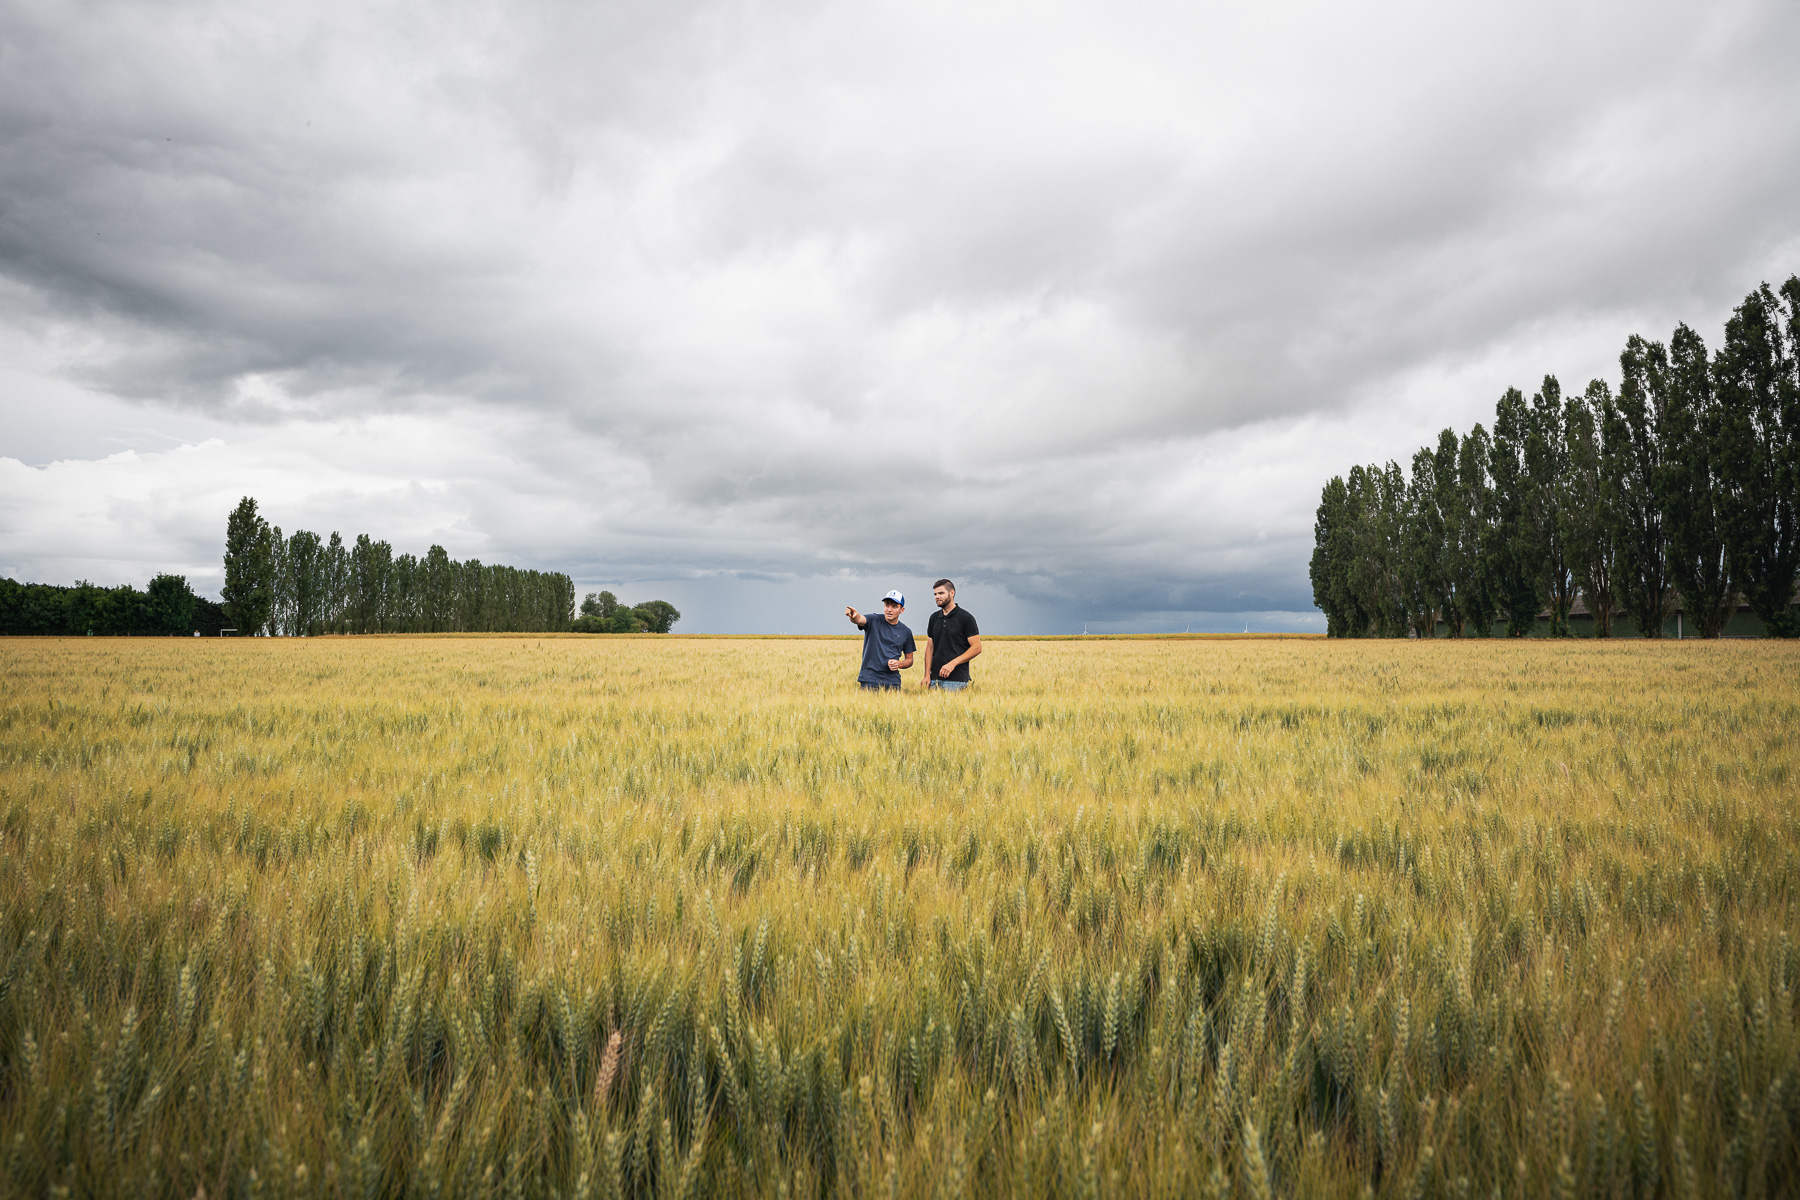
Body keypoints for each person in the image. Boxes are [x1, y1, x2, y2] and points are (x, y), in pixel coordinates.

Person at [845, 590, 915, 690]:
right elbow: (860, 619)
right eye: (887, 605)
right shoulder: (874, 620)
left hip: (893, 682)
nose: (889, 609)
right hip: (870, 680)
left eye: (894, 606)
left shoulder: (906, 631)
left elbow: (910, 660)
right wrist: (853, 616)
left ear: (902, 610)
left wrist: (899, 664)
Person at [921, 578, 981, 690]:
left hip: (956, 681)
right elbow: (930, 648)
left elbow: (977, 647)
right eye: (935, 594)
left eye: (941, 593)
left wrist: (953, 663)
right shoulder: (934, 618)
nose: (937, 597)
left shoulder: (966, 618)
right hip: (934, 680)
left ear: (952, 593)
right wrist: (927, 675)